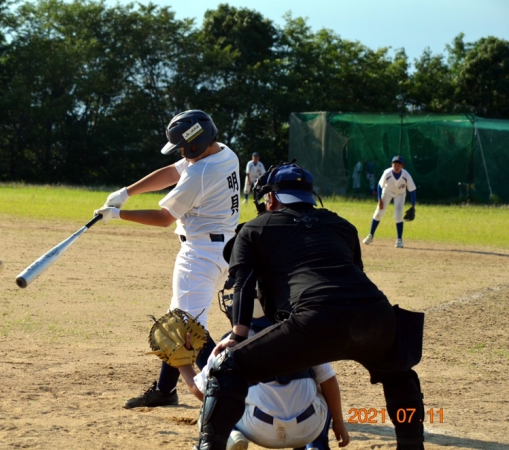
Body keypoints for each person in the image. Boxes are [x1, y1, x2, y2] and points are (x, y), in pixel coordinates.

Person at [192, 163, 425, 450]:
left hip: (315, 320)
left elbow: (243, 284)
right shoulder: (343, 225)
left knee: (228, 369)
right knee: (400, 373)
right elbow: (355, 274)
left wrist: (238, 337)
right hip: (377, 316)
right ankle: (412, 445)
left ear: (271, 198)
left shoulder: (254, 229)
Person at [94, 110, 240, 409]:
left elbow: (164, 218)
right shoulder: (225, 152)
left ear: (197, 144)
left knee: (187, 329)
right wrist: (126, 192)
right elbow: (173, 171)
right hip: (223, 247)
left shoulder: (200, 174)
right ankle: (164, 390)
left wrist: (119, 214)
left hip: (200, 254)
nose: (181, 153)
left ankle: (229, 389)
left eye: (184, 147)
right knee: (179, 319)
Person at [177, 316, 349, 450]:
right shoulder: (304, 333)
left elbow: (202, 393)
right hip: (308, 427)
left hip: (260, 429)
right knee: (320, 383)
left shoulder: (231, 342)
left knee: (217, 397)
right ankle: (317, 445)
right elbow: (329, 381)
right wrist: (339, 423)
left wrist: (182, 364)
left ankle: (232, 434)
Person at [363, 156, 417, 248]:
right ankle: (370, 235)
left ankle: (399, 240)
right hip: (387, 192)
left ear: (402, 166)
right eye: (395, 164)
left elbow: (412, 190)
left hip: (400, 194)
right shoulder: (387, 173)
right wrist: (379, 199)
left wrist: (413, 206)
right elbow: (380, 185)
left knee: (398, 215)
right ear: (392, 165)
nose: (396, 166)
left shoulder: (406, 175)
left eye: (399, 164)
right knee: (378, 213)